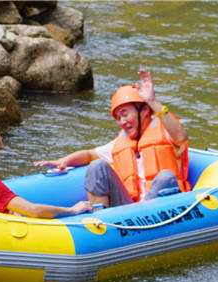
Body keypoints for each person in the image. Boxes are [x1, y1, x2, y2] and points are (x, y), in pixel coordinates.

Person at [34, 68, 189, 208]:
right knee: (97, 166)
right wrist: (64, 161)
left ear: (145, 111)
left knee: (165, 177)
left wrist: (152, 100)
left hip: (161, 208)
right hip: (130, 210)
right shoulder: (121, 142)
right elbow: (89, 155)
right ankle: (100, 221)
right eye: (117, 117)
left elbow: (181, 137)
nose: (122, 122)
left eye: (125, 114)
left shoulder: (166, 131)